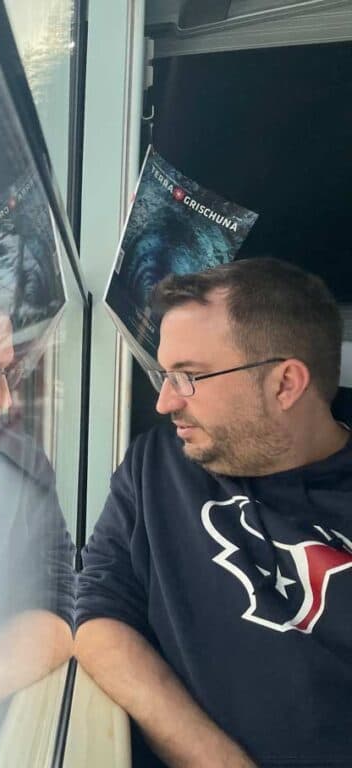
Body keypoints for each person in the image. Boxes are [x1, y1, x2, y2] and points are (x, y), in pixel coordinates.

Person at [74, 258, 351, 767]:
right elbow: (98, 611)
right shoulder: (158, 464)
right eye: (164, 372)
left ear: (285, 384)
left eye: (189, 377)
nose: (163, 402)